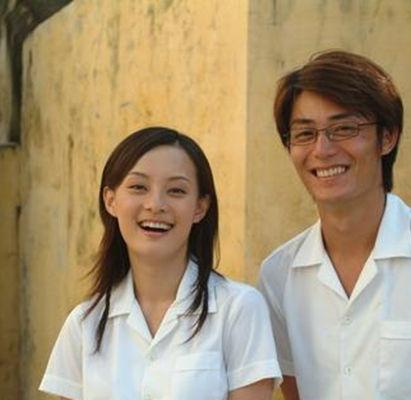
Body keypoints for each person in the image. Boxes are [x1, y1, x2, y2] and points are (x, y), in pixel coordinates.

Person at [258, 50, 411, 400]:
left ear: (387, 137)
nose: (322, 149)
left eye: (344, 128)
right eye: (304, 133)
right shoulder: (278, 276)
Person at [40, 127, 281, 400]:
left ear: (200, 207)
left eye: (176, 190)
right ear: (111, 200)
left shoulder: (239, 309)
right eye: (138, 187)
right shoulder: (85, 324)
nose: (155, 204)